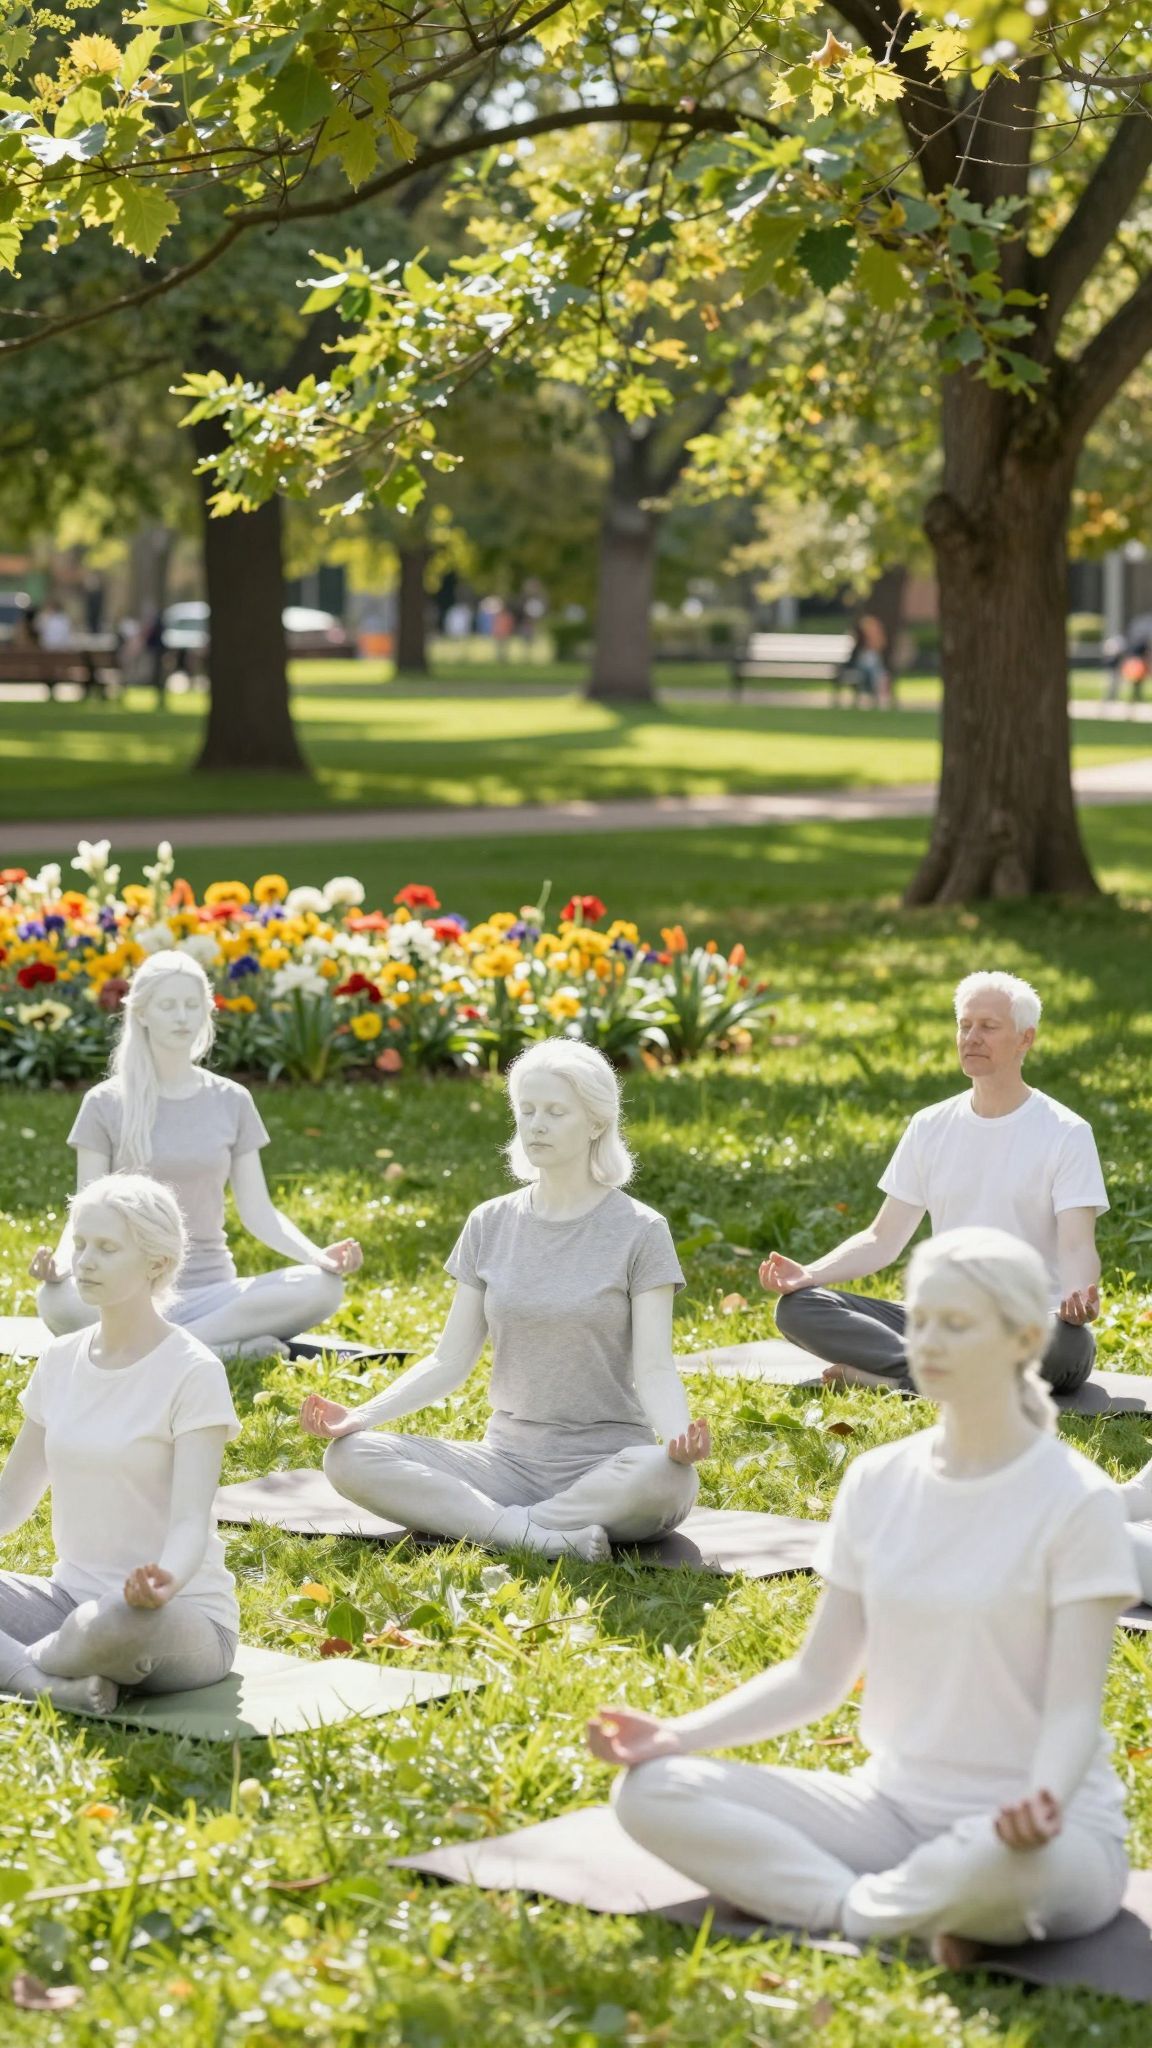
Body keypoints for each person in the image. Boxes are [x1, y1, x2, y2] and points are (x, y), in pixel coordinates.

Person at [591, 1227, 1137, 1966]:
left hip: (1041, 1832)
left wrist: (1042, 1800)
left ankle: (880, 1901)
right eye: (922, 1319)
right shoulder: (878, 1480)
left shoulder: (1078, 1501)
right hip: (890, 1811)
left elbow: (1075, 1709)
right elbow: (818, 1677)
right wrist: (678, 1736)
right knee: (651, 1792)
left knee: (995, 1866)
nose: (930, 1341)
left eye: (959, 1323)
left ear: (1026, 1339)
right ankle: (866, 1912)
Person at [299, 1039, 710, 1562]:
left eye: (556, 1112)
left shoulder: (641, 1230)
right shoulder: (489, 1222)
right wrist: (362, 1414)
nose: (536, 1124)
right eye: (527, 1110)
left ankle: (499, 1527)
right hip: (505, 1465)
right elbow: (449, 1360)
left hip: (608, 1467)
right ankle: (532, 1535)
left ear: (596, 1123)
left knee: (667, 1478)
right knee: (350, 1457)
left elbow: (655, 1367)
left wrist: (678, 1438)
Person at [761, 971, 1106, 1394]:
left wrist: (1078, 1297)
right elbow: (882, 1239)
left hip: (1027, 1323)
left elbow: (1077, 1245)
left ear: (1025, 1039)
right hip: (940, 1322)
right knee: (798, 1309)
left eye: (988, 1027)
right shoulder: (929, 1125)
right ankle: (935, 1376)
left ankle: (895, 1377)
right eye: (964, 1025)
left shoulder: (1066, 1132)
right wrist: (809, 1274)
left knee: (1067, 1348)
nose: (971, 1037)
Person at [30, 951, 361, 1361]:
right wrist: (63, 1265)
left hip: (212, 1292)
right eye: (168, 1005)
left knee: (324, 1287)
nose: (182, 1017)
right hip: (129, 1287)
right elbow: (84, 1211)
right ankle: (218, 1349)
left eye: (192, 1005)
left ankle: (158, 1351)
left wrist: (317, 1256)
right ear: (143, 1013)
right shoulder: (105, 1103)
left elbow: (259, 1212)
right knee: (57, 1300)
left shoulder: (232, 1100)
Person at [0, 1174, 240, 1714]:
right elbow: (10, 1502)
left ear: (157, 1264)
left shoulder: (193, 1371)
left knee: (108, 1622)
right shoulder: (59, 1361)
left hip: (169, 1615)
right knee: (85, 1620)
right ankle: (48, 1685)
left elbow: (188, 1522)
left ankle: (20, 1670)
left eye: (106, 1248)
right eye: (80, 1244)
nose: (84, 1262)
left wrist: (164, 1582)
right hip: (65, 1602)